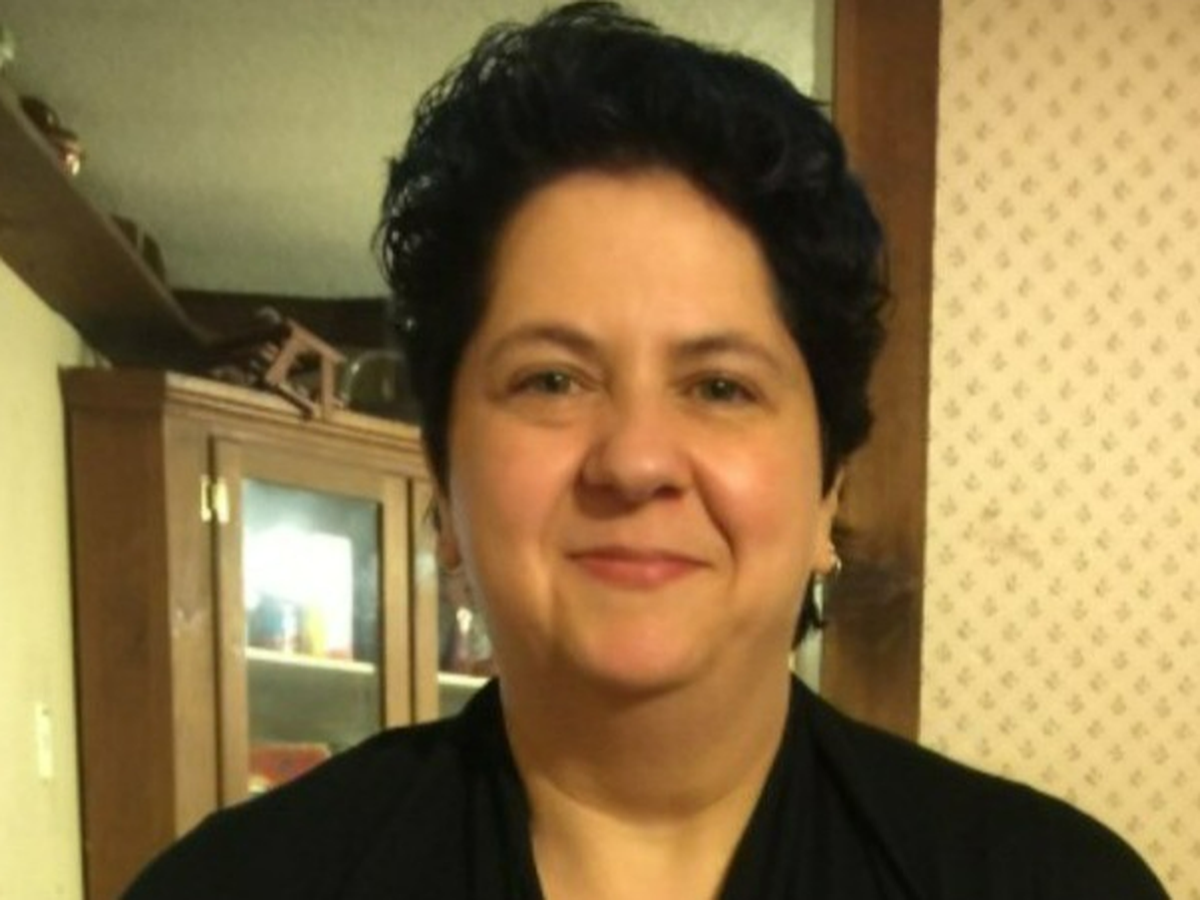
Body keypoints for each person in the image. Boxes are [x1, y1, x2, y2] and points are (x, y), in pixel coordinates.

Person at [124, 4, 1168, 898]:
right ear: (443, 485)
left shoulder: (1050, 884)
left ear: (828, 491)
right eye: (551, 380)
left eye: (720, 387)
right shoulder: (236, 887)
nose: (634, 461)